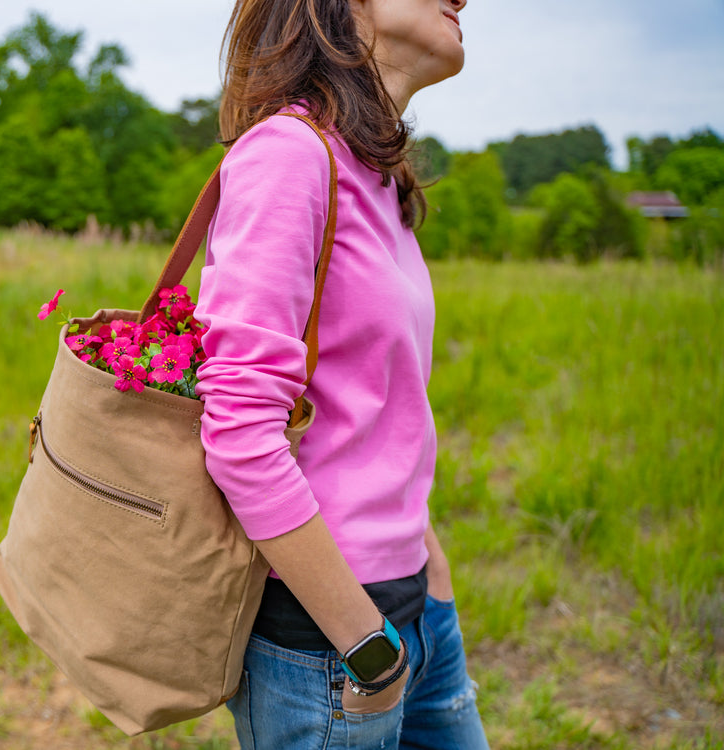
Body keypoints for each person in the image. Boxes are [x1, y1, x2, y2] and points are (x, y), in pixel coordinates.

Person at [193, 0, 489, 747]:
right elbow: (238, 437)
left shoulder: (376, 178)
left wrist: (436, 592)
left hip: (420, 616)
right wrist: (366, 644)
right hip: (329, 647)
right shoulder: (288, 155)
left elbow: (384, 412)